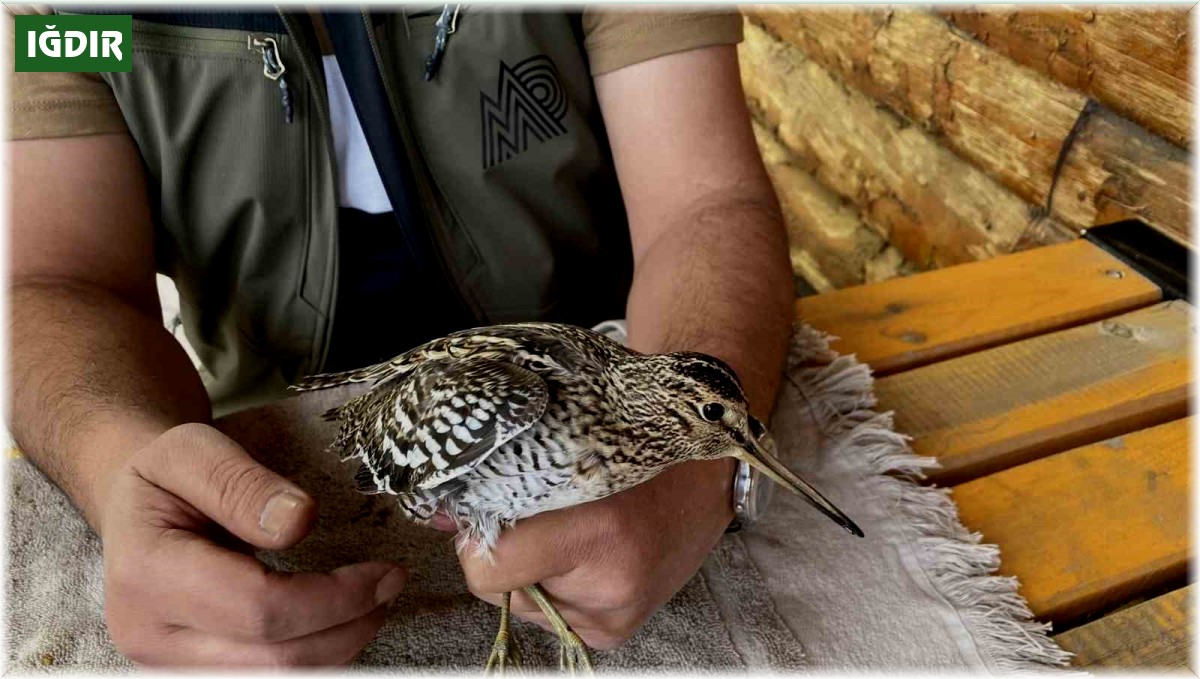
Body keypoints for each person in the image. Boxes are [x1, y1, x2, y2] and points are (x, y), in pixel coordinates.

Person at [7, 5, 793, 667]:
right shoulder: (67, 14)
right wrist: (119, 469)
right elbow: (56, 282)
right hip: (265, 453)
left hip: (601, 385)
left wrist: (697, 473)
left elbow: (706, 200)